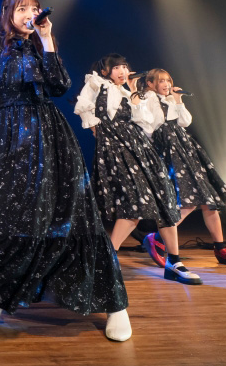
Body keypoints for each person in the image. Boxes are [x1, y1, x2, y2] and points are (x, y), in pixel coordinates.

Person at [0, 0, 131, 342]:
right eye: (22, 8)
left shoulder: (41, 44)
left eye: (34, 9)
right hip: (13, 137)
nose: (30, 14)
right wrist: (10, 108)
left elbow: (60, 85)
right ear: (8, 12)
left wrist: (47, 40)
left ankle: (115, 305)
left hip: (52, 136)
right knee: (17, 218)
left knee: (77, 215)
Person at [74, 55, 201, 285]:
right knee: (134, 204)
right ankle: (107, 259)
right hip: (116, 149)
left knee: (165, 201)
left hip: (141, 148)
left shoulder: (128, 93)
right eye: (117, 67)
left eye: (125, 67)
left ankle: (174, 262)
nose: (123, 71)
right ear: (105, 71)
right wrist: (97, 131)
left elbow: (147, 125)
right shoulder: (96, 84)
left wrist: (134, 94)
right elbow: (84, 108)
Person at [138, 68, 226, 267]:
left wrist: (177, 100)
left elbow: (185, 121)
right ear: (150, 84)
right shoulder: (149, 99)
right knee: (189, 200)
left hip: (186, 149)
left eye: (168, 80)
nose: (166, 84)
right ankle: (156, 238)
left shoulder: (171, 99)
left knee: (208, 201)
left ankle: (220, 248)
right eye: (161, 81)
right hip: (169, 151)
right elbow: (152, 126)